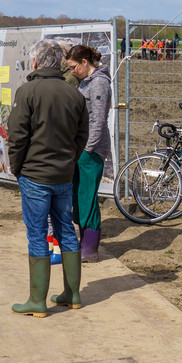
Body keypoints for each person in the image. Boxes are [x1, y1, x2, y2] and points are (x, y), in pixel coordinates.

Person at [6, 39, 88, 317]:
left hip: (35, 174)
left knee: (37, 234)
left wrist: (17, 168)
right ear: (61, 63)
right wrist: (69, 161)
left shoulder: (28, 91)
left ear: (36, 63)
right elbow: (81, 136)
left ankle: (37, 300)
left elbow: (17, 137)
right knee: (66, 230)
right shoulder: (75, 94)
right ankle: (73, 294)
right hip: (63, 174)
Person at [65, 44, 112, 262]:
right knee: (79, 196)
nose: (72, 71)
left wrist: (87, 148)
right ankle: (84, 242)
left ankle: (90, 249)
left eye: (74, 67)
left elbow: (99, 120)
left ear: (85, 62)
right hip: (82, 148)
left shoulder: (100, 83)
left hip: (91, 150)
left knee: (87, 198)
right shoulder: (87, 81)